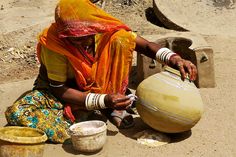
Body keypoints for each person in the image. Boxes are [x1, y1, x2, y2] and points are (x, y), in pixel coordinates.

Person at [5, 0, 197, 143]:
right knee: (18, 112)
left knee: (122, 40)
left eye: (86, 36)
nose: (81, 42)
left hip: (102, 87)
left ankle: (112, 105)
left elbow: (145, 46)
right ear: (63, 34)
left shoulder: (104, 30)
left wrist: (175, 59)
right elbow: (58, 88)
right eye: (74, 39)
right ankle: (99, 108)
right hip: (62, 93)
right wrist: (102, 100)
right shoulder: (54, 44)